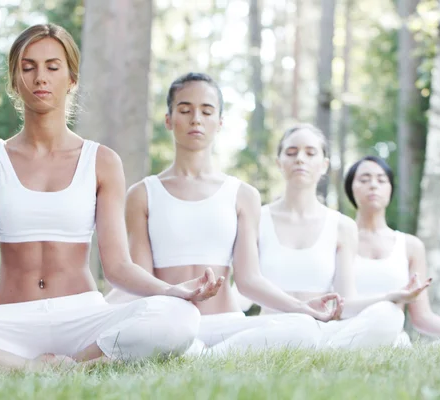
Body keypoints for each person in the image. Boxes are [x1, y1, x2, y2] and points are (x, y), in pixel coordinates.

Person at [0, 24, 223, 371]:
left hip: (83, 321)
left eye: (53, 67)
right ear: (15, 81)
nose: (41, 78)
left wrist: (172, 290)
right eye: (28, 67)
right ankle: (24, 368)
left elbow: (118, 268)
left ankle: (79, 365)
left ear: (72, 79)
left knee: (179, 316)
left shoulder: (102, 161)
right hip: (9, 323)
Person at [106, 73, 344, 356]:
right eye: (185, 110)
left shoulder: (243, 195)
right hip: (169, 323)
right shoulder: (143, 193)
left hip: (226, 324)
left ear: (219, 122)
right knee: (154, 333)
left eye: (206, 111)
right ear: (169, 120)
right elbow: (142, 280)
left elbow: (249, 280)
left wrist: (302, 308)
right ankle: (197, 352)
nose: (196, 119)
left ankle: (200, 356)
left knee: (303, 329)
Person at [256, 124, 430, 349]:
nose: (300, 159)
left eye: (310, 153)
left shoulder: (341, 226)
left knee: (390, 315)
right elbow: (244, 285)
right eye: (291, 152)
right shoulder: (256, 217)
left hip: (319, 330)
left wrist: (391, 297)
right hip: (267, 329)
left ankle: (324, 351)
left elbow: (346, 302)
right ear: (279, 162)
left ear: (324, 165)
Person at [345, 155, 440, 345]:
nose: (373, 185)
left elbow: (422, 317)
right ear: (351, 187)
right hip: (346, 336)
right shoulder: (340, 239)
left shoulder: (410, 245)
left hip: (393, 340)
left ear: (390, 188)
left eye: (381, 180)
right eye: (364, 179)